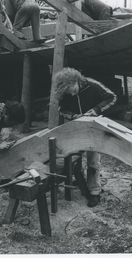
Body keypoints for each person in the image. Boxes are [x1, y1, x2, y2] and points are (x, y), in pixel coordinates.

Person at [53, 68, 117, 207]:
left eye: (71, 89)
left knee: (93, 160)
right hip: (76, 129)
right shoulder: (66, 92)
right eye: (67, 92)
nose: (71, 93)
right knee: (74, 157)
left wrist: (96, 110)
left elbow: (112, 97)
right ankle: (80, 180)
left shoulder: (93, 85)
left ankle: (94, 192)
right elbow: (62, 109)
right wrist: (73, 116)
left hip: (93, 129)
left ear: (75, 80)